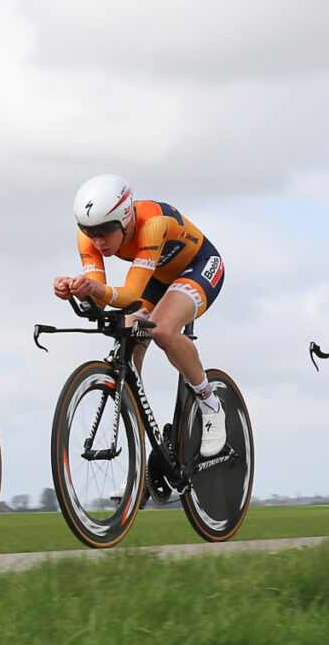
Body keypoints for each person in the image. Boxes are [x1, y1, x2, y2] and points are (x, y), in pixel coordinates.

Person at [50, 176, 231, 458]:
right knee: (129, 345)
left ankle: (210, 403)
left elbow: (131, 293)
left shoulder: (152, 224)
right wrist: (77, 290)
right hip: (157, 276)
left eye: (105, 231)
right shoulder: (89, 239)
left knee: (161, 330)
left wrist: (96, 289)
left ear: (125, 218)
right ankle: (142, 464)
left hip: (198, 267)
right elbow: (100, 292)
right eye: (89, 232)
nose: (97, 241)